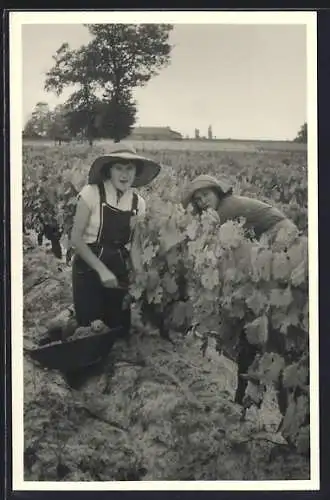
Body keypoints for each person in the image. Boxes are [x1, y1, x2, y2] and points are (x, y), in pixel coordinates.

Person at [181, 174, 299, 405]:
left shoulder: (227, 208)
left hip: (283, 237)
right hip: (271, 242)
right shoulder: (221, 211)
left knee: (265, 306)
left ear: (218, 192)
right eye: (197, 199)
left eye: (205, 194)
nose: (202, 201)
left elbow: (217, 247)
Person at [70, 147, 161, 336]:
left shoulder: (138, 203)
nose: (124, 174)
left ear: (136, 173)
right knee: (91, 329)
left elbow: (135, 246)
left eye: (129, 168)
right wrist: (102, 271)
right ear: (109, 170)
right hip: (88, 267)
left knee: (119, 331)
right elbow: (76, 240)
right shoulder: (91, 193)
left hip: (117, 267)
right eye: (119, 168)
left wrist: (140, 274)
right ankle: (69, 322)